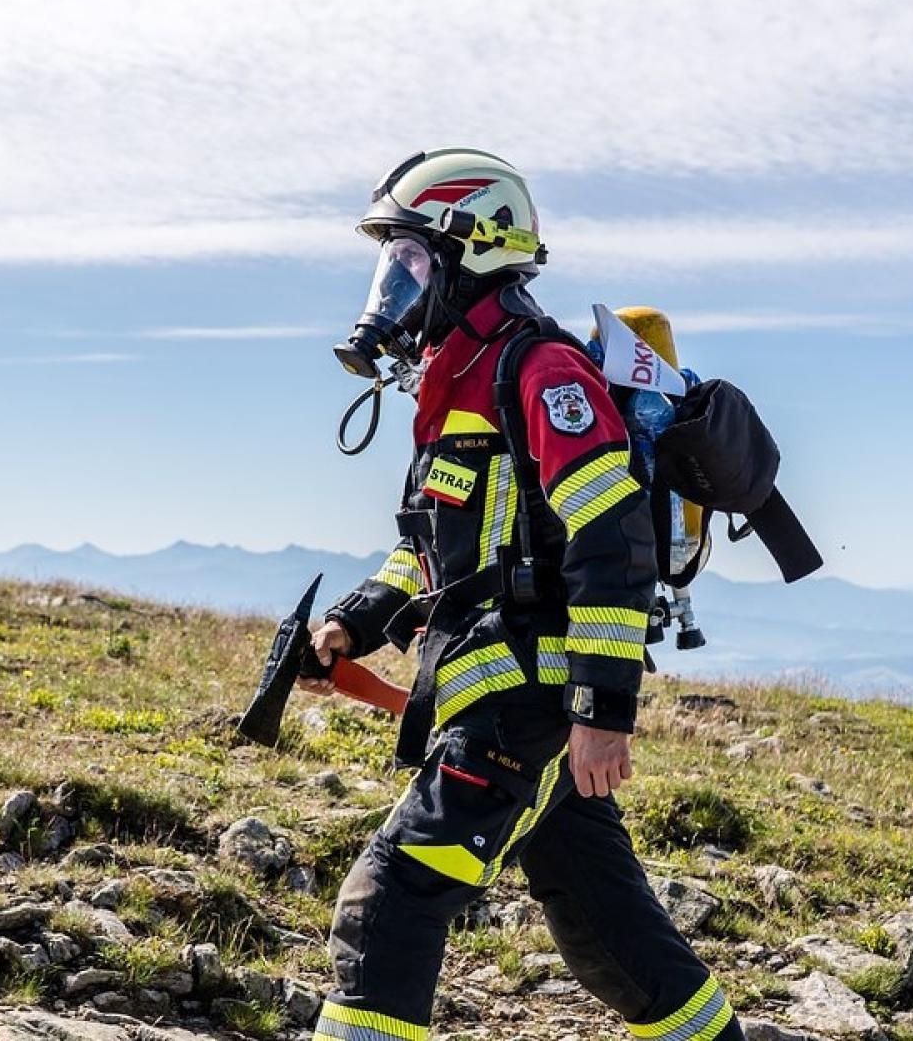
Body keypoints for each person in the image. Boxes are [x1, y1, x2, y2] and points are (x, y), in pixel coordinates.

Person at [297, 148, 744, 1041]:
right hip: (502, 692)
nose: (394, 283)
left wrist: (601, 708)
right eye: (391, 261)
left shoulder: (544, 373)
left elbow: (612, 546)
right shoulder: (458, 384)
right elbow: (432, 558)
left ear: (473, 252)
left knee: (391, 900)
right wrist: (353, 621)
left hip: (526, 705)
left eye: (411, 259)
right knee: (608, 932)